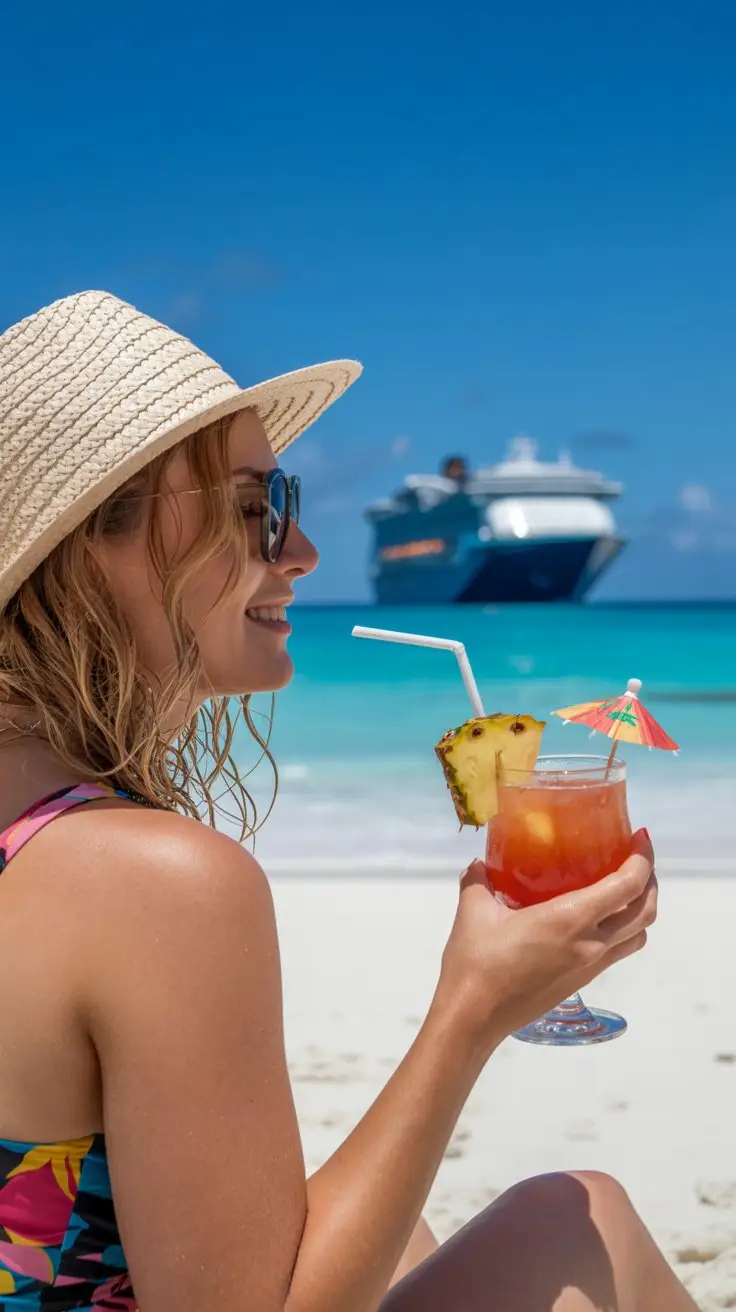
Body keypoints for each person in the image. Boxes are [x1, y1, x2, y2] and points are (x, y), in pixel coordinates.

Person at [0, 291, 695, 1312]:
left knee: (401, 1233)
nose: (303, 552)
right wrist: (471, 1011)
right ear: (93, 542)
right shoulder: (150, 884)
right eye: (256, 506)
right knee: (577, 1221)